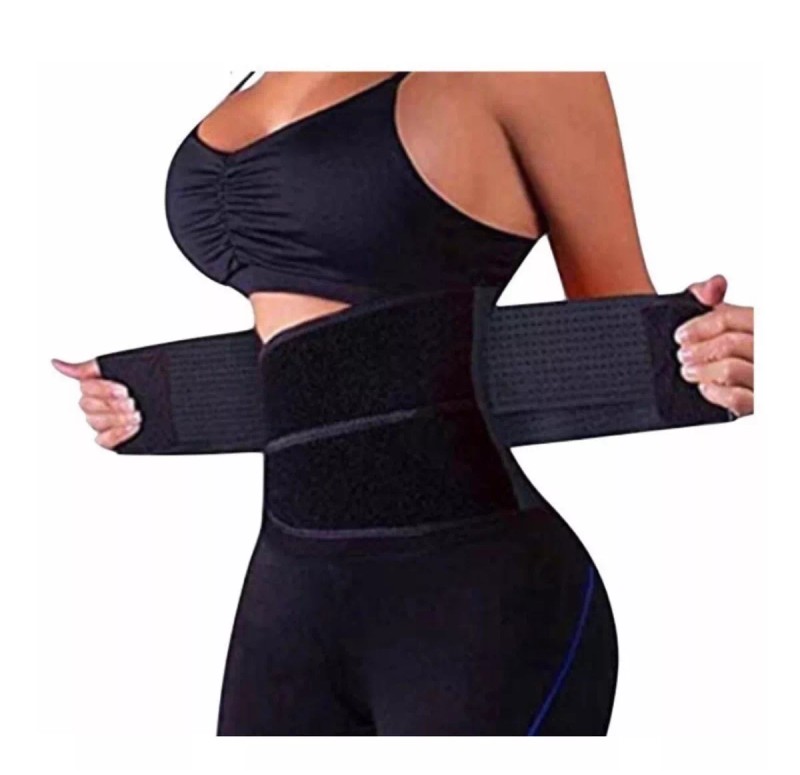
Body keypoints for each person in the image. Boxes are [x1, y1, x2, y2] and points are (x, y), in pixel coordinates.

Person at [51, 71, 754, 735]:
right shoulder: (264, 65)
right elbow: (321, 362)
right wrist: (163, 401)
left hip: (477, 600)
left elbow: (615, 339)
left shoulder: (525, 61)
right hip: (288, 591)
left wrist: (723, 353)